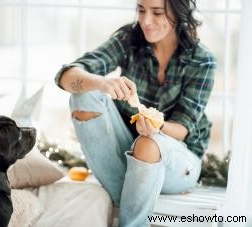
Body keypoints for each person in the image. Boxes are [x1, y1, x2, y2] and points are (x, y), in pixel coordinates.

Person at [55, 0, 216, 226]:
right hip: (126, 156)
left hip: (179, 161)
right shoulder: (129, 41)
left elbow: (181, 129)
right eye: (141, 10)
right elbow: (65, 76)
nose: (146, 21)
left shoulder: (202, 60)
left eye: (157, 12)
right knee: (84, 95)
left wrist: (156, 127)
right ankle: (133, 203)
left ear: (179, 12)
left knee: (148, 142)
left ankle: (129, 210)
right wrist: (102, 83)